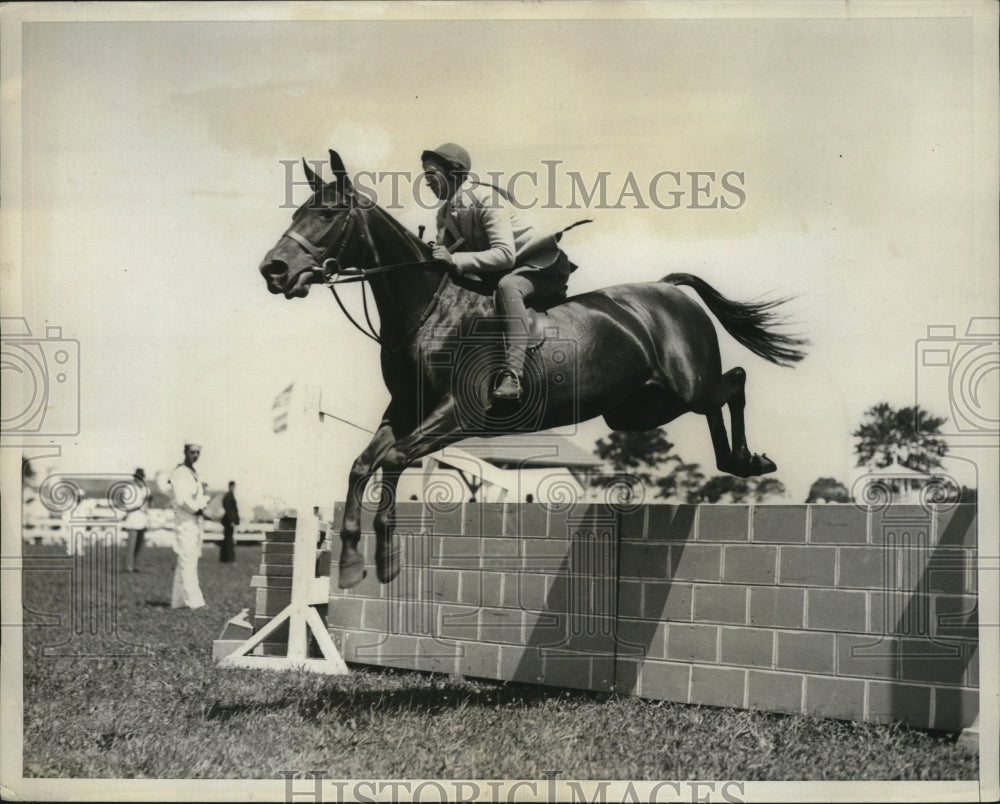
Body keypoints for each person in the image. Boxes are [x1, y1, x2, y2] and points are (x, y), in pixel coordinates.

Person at [421, 142, 582, 404]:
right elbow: (447, 258)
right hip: (505, 269)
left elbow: (504, 254)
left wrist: (453, 258)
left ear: (453, 172)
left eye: (431, 174)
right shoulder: (443, 214)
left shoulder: (486, 199)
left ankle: (513, 375)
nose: (426, 182)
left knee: (508, 287)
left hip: (541, 265)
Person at [168, 441, 211, 610]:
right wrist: (199, 508)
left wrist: (202, 504)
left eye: (198, 452)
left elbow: (196, 497)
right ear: (185, 452)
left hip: (194, 521)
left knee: (186, 560)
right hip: (185, 520)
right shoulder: (180, 473)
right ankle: (195, 602)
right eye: (192, 452)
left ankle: (178, 601)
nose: (195, 455)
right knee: (188, 561)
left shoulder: (193, 473)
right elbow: (182, 499)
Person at [121, 468, 150, 572]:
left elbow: (147, 503)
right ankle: (128, 567)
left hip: (142, 519)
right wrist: (140, 505)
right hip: (133, 519)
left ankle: (136, 565)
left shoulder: (145, 488)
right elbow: (128, 505)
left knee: (139, 545)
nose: (140, 479)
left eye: (141, 477)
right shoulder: (129, 488)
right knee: (131, 546)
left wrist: (144, 506)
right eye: (138, 477)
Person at [219, 480, 239, 563]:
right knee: (228, 539)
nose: (234, 488)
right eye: (233, 486)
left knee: (227, 538)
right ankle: (228, 558)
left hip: (227, 520)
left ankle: (224, 558)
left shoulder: (228, 496)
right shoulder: (229, 496)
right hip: (229, 521)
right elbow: (229, 509)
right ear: (231, 486)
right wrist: (232, 520)